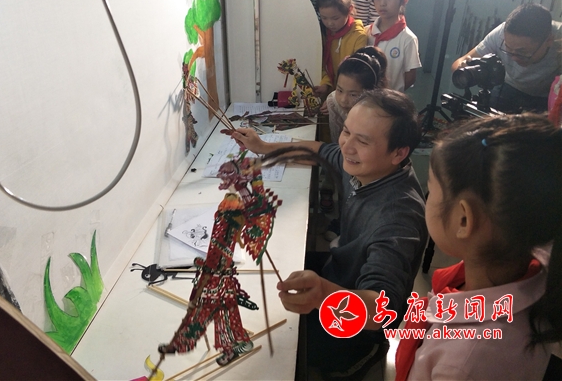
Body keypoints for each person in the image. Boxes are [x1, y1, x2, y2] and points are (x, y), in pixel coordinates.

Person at [230, 89, 428, 379]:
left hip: (357, 330)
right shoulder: (367, 165)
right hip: (338, 271)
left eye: (362, 141)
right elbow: (321, 150)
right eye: (346, 132)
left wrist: (323, 294)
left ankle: (359, 359)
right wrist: (263, 146)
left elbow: (382, 306)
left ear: (399, 153)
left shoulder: (399, 217)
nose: (347, 146)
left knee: (266, 347)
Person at [396, 113, 561, 380]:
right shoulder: (540, 274)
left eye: (432, 191)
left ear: (463, 219)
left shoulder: (462, 365)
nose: (428, 200)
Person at [452, 3, 562, 113]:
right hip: (507, 86)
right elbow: (458, 63)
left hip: (546, 96)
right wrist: (463, 67)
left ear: (549, 40)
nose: (513, 58)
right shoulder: (500, 34)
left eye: (522, 52)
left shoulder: (559, 38)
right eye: (508, 48)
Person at [319, 46, 387, 218]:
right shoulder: (333, 102)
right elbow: (338, 142)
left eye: (353, 94)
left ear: (371, 91)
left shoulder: (381, 114)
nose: (343, 100)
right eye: (340, 90)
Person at [366, 0, 422, 92]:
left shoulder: (408, 39)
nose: (382, 3)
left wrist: (392, 93)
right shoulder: (366, 32)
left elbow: (410, 77)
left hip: (389, 99)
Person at [313, 0, 368, 102]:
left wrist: (335, 98)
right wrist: (326, 85)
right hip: (328, 95)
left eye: (335, 18)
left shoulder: (358, 36)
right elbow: (321, 64)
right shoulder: (323, 33)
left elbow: (356, 76)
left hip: (348, 98)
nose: (329, 23)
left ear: (349, 10)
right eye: (324, 18)